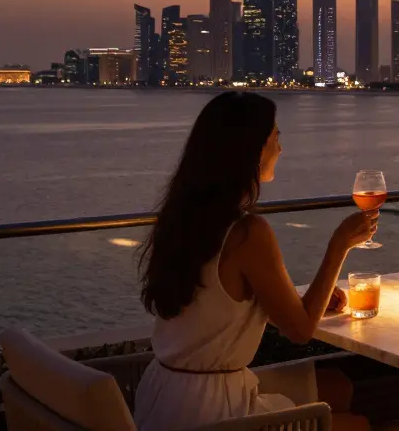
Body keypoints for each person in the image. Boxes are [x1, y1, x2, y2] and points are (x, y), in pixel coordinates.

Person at [134, 91, 374, 431]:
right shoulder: (248, 232)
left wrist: (310, 300)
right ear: (252, 151)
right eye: (276, 138)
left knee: (339, 385)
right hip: (214, 412)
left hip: (163, 395)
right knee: (358, 425)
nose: (281, 149)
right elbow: (301, 330)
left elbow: (227, 306)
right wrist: (339, 245)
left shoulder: (183, 219)